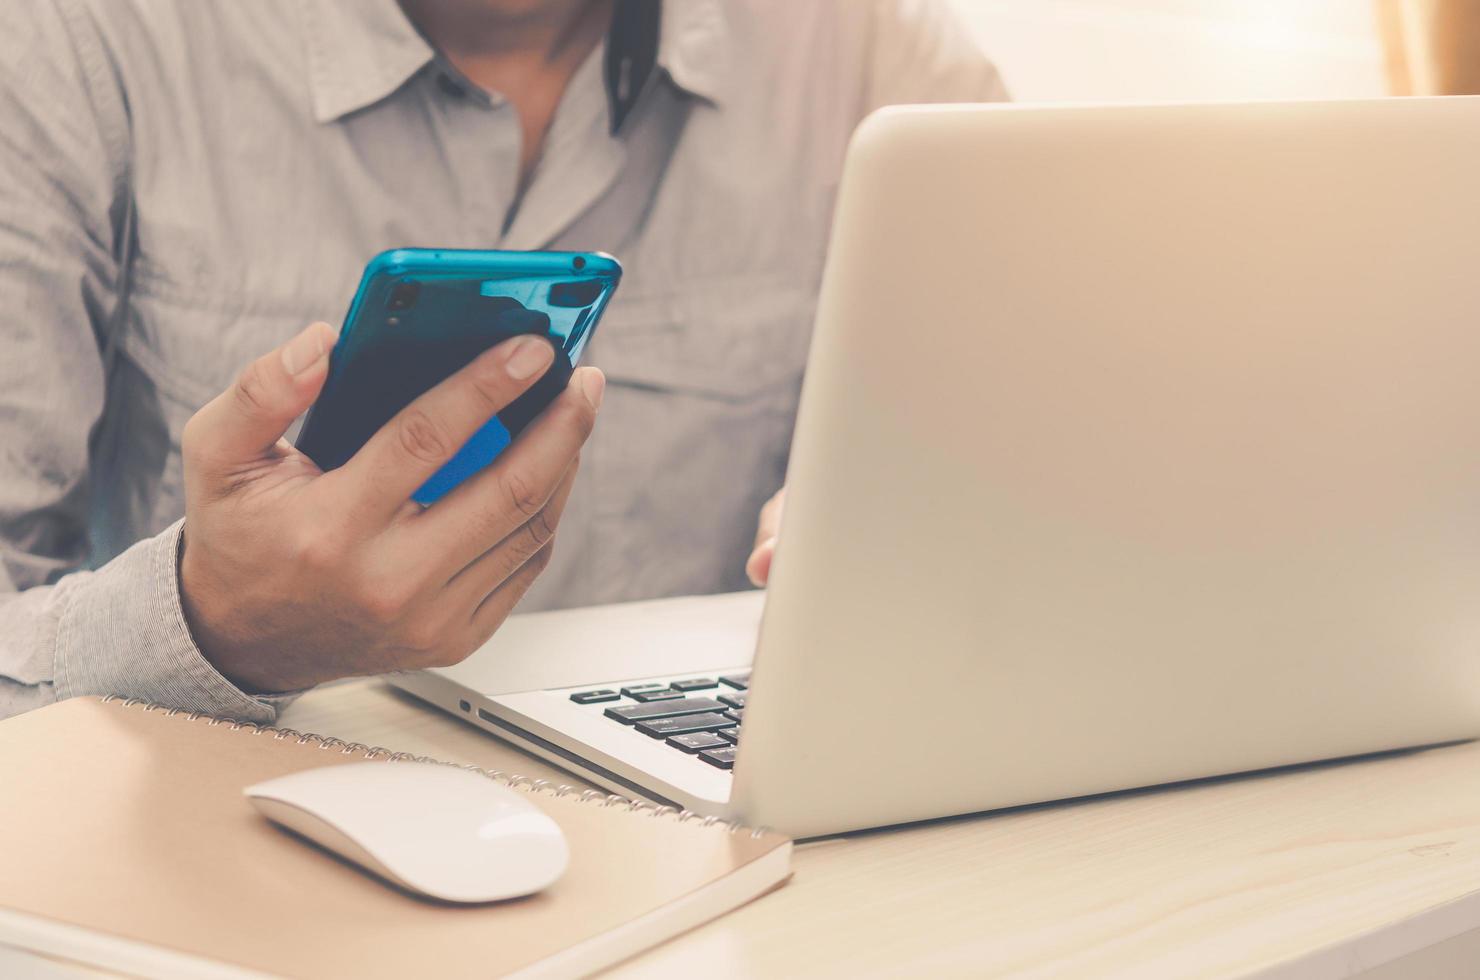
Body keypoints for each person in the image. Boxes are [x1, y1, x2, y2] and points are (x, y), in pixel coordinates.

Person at [0, 0, 1005, 723]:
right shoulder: (67, 44)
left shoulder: (871, 46)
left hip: (698, 854)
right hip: (205, 866)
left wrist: (932, 536)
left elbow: (1024, 470)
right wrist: (212, 629)